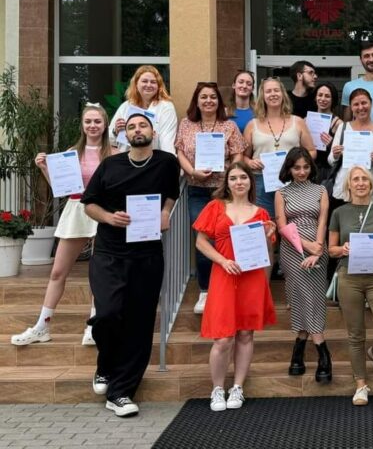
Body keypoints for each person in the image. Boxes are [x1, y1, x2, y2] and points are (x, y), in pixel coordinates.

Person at [82, 112, 180, 417]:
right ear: (126, 134)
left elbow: (171, 194)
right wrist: (109, 217)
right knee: (107, 313)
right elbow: (89, 204)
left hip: (147, 254)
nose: (138, 130)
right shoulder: (110, 165)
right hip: (109, 252)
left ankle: (121, 392)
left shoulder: (167, 162)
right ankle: (105, 365)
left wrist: (165, 212)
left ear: (153, 132)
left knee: (140, 323)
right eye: (133, 126)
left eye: (143, 126)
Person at [11, 104, 116, 347]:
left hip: (103, 212)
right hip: (76, 210)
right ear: (82, 125)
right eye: (88, 121)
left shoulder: (115, 152)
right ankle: (42, 326)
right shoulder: (71, 152)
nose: (92, 125)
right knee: (58, 272)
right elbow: (63, 188)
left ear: (105, 124)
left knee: (99, 274)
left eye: (97, 121)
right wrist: (44, 168)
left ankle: (94, 327)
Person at [194, 162, 277, 411]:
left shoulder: (261, 213)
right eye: (233, 178)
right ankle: (217, 388)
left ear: (251, 181)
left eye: (243, 177)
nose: (239, 182)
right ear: (227, 183)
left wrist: (268, 236)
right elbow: (200, 242)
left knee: (245, 334)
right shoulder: (215, 207)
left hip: (252, 278)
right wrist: (222, 261)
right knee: (223, 338)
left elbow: (267, 254)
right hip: (224, 274)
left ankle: (238, 387)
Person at [328, 166, 373, 406]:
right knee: (355, 334)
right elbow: (331, 249)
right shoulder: (339, 212)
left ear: (371, 184)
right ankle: (360, 385)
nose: (360, 183)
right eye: (355, 179)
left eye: (364, 179)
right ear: (348, 185)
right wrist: (342, 249)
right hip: (349, 277)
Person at [175, 82, 247, 315]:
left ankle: (231, 286)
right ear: (197, 101)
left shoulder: (229, 126)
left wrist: (230, 175)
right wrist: (192, 172)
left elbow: (238, 154)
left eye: (213, 97)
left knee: (227, 238)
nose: (208, 101)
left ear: (219, 101)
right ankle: (206, 291)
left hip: (224, 191)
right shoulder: (186, 124)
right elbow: (180, 152)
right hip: (197, 189)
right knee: (204, 239)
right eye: (204, 97)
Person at [274, 147, 332, 383]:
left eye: (306, 167)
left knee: (314, 296)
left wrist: (318, 248)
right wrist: (308, 246)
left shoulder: (321, 190)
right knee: (301, 296)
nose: (301, 172)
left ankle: (299, 349)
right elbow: (282, 227)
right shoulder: (281, 193)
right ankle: (322, 350)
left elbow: (323, 221)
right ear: (289, 169)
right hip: (292, 250)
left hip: (318, 248)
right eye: (297, 167)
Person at [243, 77, 316, 220]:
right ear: (262, 96)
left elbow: (312, 152)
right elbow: (244, 157)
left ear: (283, 94)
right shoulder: (252, 125)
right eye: (268, 91)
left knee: (293, 225)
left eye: (276, 90)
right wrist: (250, 162)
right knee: (265, 225)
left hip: (293, 181)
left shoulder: (297, 122)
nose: (273, 94)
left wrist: (297, 163)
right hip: (261, 182)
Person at [327, 88, 373, 211]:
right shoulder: (343, 128)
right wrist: (335, 155)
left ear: (371, 104)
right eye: (356, 104)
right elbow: (331, 161)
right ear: (351, 107)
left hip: (372, 195)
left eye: (364, 103)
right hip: (344, 193)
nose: (361, 107)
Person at [109, 65, 178, 153]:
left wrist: (169, 159)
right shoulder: (125, 106)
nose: (148, 85)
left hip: (154, 158)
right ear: (136, 84)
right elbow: (109, 139)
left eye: (153, 82)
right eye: (144, 81)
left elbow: (167, 141)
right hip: (126, 157)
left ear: (159, 86)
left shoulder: (165, 107)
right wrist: (115, 131)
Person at [313, 82, 343, 185]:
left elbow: (343, 153)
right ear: (315, 97)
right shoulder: (307, 120)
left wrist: (332, 144)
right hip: (310, 169)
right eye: (320, 95)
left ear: (333, 99)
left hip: (328, 172)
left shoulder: (338, 124)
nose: (323, 99)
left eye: (327, 96)